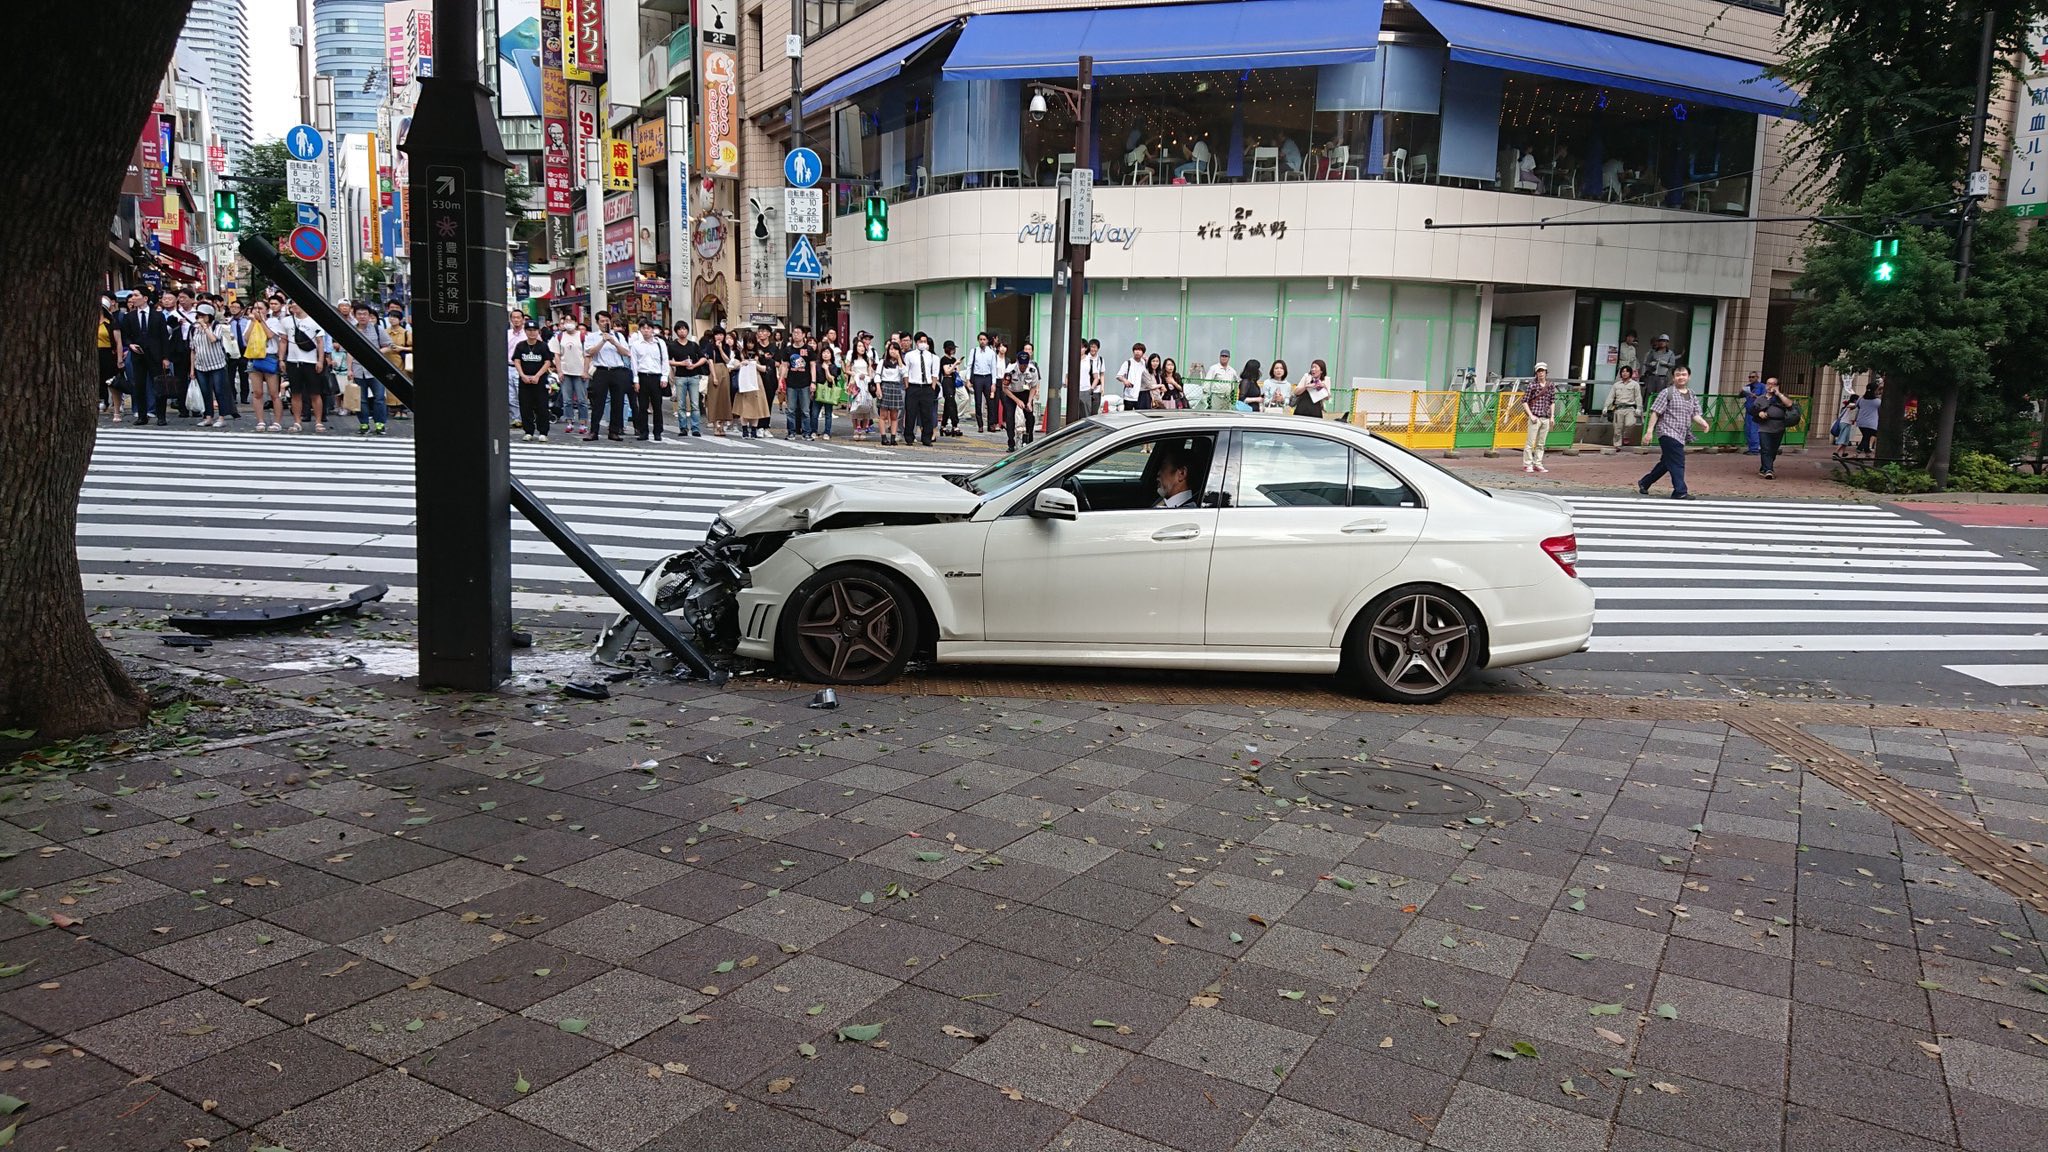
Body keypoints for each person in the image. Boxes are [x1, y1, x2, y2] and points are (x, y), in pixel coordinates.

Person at [1638, 366, 1711, 499]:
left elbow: (1695, 414)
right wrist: (1649, 432)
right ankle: (1680, 491)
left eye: (1684, 374)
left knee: (1667, 462)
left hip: (1681, 434)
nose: (1681, 377)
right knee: (1678, 460)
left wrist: (1703, 423)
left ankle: (1645, 482)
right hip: (1667, 432)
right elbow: (1655, 412)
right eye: (1678, 375)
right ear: (1673, 377)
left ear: (1689, 377)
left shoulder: (1691, 394)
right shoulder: (1667, 393)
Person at [118, 291, 170, 426]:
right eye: (132, 296)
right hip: (138, 355)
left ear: (145, 298)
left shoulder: (158, 316)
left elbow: (164, 337)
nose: (133, 298)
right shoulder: (129, 316)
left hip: (155, 355)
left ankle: (161, 415)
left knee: (159, 385)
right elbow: (125, 335)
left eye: (136, 295)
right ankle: (142, 415)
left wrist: (165, 357)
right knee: (139, 386)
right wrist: (130, 345)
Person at [278, 299, 330, 431]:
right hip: (293, 360)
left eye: (297, 302)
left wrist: (320, 360)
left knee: (315, 393)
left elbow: (320, 342)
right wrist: (281, 359)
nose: (294, 306)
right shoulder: (286, 321)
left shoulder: (314, 321)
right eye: (292, 304)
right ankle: (297, 421)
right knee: (295, 393)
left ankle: (318, 421)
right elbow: (283, 341)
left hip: (311, 361)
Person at [584, 311, 632, 442]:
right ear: (597, 323)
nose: (605, 323)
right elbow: (590, 352)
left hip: (617, 370)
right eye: (602, 321)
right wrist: (603, 341)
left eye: (607, 320)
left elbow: (627, 352)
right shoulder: (592, 336)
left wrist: (614, 342)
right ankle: (593, 431)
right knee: (598, 402)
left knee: (618, 402)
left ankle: (614, 431)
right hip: (601, 371)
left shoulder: (618, 336)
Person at [347, 302, 392, 435]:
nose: (362, 317)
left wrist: (377, 352)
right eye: (359, 314)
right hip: (358, 369)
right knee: (360, 399)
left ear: (369, 315)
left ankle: (380, 424)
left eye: (365, 314)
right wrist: (349, 369)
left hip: (376, 369)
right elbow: (349, 351)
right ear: (355, 315)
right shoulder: (351, 330)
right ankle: (364, 424)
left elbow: (389, 345)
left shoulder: (378, 329)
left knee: (379, 397)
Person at [190, 302, 237, 427]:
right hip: (200, 365)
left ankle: (221, 417)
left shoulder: (217, 326)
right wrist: (192, 369)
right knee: (205, 392)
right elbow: (193, 350)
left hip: (217, 364)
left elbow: (213, 339)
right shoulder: (194, 329)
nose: (199, 317)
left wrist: (205, 327)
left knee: (219, 390)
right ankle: (208, 416)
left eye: (202, 315)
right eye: (198, 315)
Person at [511, 319, 555, 441]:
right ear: (525, 331)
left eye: (534, 330)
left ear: (538, 331)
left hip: (540, 381)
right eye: (529, 330)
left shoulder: (543, 346)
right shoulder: (521, 346)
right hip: (524, 380)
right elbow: (517, 360)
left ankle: (543, 432)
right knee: (525, 406)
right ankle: (528, 431)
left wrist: (537, 376)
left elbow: (547, 362)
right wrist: (522, 375)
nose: (532, 333)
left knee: (542, 406)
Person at [1748, 376, 1799, 480]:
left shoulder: (1781, 398)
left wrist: (1778, 394)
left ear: (1777, 386)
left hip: (1778, 427)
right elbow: (1753, 411)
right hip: (1764, 427)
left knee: (1773, 450)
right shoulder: (1761, 398)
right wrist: (1759, 413)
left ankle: (1764, 468)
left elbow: (1789, 404)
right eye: (1768, 383)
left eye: (1772, 384)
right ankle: (1769, 470)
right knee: (1765, 449)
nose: (1769, 386)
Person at [629, 317, 669, 441]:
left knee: (657, 406)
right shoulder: (636, 345)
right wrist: (635, 380)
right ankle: (643, 431)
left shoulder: (659, 343)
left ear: (652, 330)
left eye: (648, 328)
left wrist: (664, 376)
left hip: (656, 376)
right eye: (643, 328)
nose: (646, 331)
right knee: (642, 406)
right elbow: (634, 363)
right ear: (640, 330)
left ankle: (658, 431)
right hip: (642, 376)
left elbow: (665, 360)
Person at [551, 319, 591, 435]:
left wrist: (585, 371)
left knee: (582, 400)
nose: (569, 323)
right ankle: (569, 422)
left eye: (571, 321)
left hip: (580, 373)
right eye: (566, 321)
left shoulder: (583, 337)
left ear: (576, 323)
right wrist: (559, 371)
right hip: (565, 372)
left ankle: (583, 423)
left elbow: (587, 356)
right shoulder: (559, 337)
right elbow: (557, 355)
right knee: (567, 400)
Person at [1517, 362, 1559, 473]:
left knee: (1541, 443)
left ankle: (1538, 463)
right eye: (1539, 371)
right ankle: (1527, 464)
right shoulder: (1532, 385)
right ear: (1536, 373)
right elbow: (1524, 401)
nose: (1541, 373)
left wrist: (1552, 416)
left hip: (1545, 416)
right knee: (1530, 443)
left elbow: (1552, 401)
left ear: (1546, 372)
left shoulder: (1550, 385)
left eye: (1543, 371)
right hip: (1535, 417)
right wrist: (1531, 415)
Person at [903, 331, 941, 446]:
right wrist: (907, 386)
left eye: (924, 341)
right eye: (921, 341)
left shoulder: (932, 357)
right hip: (913, 386)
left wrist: (933, 387)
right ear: (916, 342)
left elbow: (935, 373)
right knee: (911, 413)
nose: (923, 343)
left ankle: (927, 438)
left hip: (927, 387)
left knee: (927, 414)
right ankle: (909, 437)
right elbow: (906, 372)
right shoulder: (910, 355)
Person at [669, 321, 706, 437]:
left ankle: (695, 428)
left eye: (684, 329)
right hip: (680, 376)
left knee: (695, 404)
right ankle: (683, 427)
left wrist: (694, 365)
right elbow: (667, 360)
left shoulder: (693, 345)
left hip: (694, 376)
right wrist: (681, 363)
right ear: (676, 331)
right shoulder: (672, 346)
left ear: (688, 331)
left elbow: (703, 358)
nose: (682, 331)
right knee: (681, 405)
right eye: (679, 329)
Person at [731, 330, 770, 436]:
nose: (750, 345)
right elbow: (733, 365)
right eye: (748, 342)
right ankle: (744, 429)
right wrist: (741, 363)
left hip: (756, 381)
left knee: (756, 406)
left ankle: (754, 429)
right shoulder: (740, 353)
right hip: (743, 380)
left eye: (752, 342)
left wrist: (755, 364)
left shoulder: (760, 353)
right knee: (743, 406)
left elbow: (765, 368)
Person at [780, 325, 815, 440]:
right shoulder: (788, 350)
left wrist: (813, 382)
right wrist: (781, 379)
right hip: (791, 383)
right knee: (791, 410)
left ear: (804, 335)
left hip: (805, 383)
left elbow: (812, 366)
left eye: (798, 333)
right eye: (794, 333)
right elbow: (785, 365)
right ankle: (791, 432)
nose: (796, 335)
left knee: (805, 410)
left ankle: (806, 432)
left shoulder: (809, 349)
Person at [1003, 342, 1039, 450]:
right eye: (1022, 364)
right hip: (1011, 393)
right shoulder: (1010, 370)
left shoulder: (1032, 370)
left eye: (1025, 364)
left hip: (1025, 393)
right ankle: (1011, 443)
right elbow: (1004, 388)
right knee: (1010, 418)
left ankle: (1028, 441)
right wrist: (1017, 400)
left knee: (1030, 417)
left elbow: (1033, 387)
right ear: (1018, 362)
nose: (1023, 366)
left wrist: (1029, 401)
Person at [97, 296, 124, 422]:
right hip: (94, 355)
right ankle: (101, 403)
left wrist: (119, 359)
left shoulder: (111, 323)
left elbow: (118, 342)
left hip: (108, 354)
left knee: (112, 383)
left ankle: (117, 410)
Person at [1604, 365, 1643, 450]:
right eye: (1623, 371)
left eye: (1627, 371)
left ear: (1630, 373)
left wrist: (1639, 408)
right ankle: (1617, 445)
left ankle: (1626, 435)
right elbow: (1611, 396)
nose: (1624, 373)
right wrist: (1606, 407)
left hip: (1630, 408)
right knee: (1617, 428)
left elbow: (1638, 397)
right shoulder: (1616, 385)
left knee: (1630, 423)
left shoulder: (1635, 384)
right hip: (1619, 408)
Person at [876, 342, 907, 444]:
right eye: (891, 349)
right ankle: (883, 437)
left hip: (896, 387)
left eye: (895, 349)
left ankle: (893, 437)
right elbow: (877, 376)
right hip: (885, 386)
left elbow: (903, 373)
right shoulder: (883, 362)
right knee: (883, 415)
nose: (893, 351)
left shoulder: (901, 363)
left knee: (894, 416)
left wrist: (899, 359)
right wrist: (878, 388)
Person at [846, 334, 875, 440]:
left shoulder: (868, 359)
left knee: (866, 406)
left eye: (863, 346)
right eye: (859, 346)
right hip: (855, 384)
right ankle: (855, 428)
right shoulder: (852, 359)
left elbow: (870, 372)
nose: (861, 348)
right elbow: (847, 370)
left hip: (865, 384)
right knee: (855, 407)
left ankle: (863, 428)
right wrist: (855, 374)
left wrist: (866, 377)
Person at [968, 331, 999, 432]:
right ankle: (980, 424)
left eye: (984, 340)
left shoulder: (991, 353)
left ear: (987, 341)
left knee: (990, 402)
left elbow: (994, 368)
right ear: (978, 340)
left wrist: (994, 383)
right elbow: (969, 366)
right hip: (977, 378)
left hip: (988, 377)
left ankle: (991, 424)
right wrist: (968, 379)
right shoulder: (974, 351)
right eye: (980, 339)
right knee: (978, 402)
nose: (982, 341)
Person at [812, 341, 843, 439]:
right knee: (814, 413)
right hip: (818, 391)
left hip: (829, 391)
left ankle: (827, 432)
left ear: (831, 355)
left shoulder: (833, 367)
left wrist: (826, 369)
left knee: (828, 413)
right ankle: (814, 431)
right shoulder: (817, 365)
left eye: (828, 353)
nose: (825, 355)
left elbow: (831, 379)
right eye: (824, 353)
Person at [225, 298, 251, 409]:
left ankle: (244, 396)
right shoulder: (228, 322)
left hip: (244, 349)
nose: (234, 309)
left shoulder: (247, 321)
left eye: (236, 307)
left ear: (242, 309)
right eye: (232, 307)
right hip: (232, 350)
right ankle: (233, 396)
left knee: (244, 373)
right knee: (230, 374)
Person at [938, 340, 964, 435]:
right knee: (952, 403)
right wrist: (954, 365)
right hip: (946, 381)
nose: (953, 351)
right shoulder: (944, 359)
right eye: (951, 349)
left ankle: (943, 426)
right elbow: (947, 372)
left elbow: (956, 371)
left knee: (948, 405)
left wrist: (956, 365)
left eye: (954, 349)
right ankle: (955, 425)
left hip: (952, 382)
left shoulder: (953, 359)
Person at [1641, 333, 1678, 398]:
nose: (1662, 342)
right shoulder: (1653, 352)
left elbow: (1673, 365)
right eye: (1661, 341)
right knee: (1649, 394)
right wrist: (1651, 364)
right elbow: (1646, 363)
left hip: (1662, 377)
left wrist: (1665, 364)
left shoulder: (1670, 353)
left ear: (1667, 343)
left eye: (1664, 341)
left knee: (1660, 395)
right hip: (1652, 376)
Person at [1117, 342, 1151, 410]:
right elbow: (1119, 376)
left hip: (1140, 396)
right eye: (1136, 350)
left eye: (1140, 350)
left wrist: (1147, 360)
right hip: (1129, 396)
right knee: (1128, 416)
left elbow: (1150, 373)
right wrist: (1125, 380)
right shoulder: (1128, 363)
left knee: (1139, 417)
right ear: (1133, 351)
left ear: (1143, 353)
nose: (1137, 352)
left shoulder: (1143, 363)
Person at [1741, 371, 1766, 454]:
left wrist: (1755, 396)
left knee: (1753, 429)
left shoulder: (1762, 386)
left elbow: (1765, 397)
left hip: (1757, 410)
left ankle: (1755, 449)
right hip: (1749, 410)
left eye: (1753, 377)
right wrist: (1742, 391)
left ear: (1757, 377)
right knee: (1747, 429)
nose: (1751, 379)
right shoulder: (1748, 387)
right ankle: (1751, 447)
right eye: (1749, 377)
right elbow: (1740, 396)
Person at [1830, 389, 1859, 459]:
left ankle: (1843, 452)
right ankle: (1836, 452)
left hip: (1846, 423)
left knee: (1846, 439)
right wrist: (1856, 405)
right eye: (1857, 400)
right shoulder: (1851, 404)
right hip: (1845, 423)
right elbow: (1850, 406)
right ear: (1855, 400)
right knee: (1843, 438)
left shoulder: (1848, 405)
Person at [1080, 338, 1105, 418]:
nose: (1093, 349)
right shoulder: (1086, 358)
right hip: (1084, 388)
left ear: (1098, 348)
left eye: (1095, 347)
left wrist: (1102, 387)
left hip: (1096, 389)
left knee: (1093, 411)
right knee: (1084, 411)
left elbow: (1102, 374)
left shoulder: (1100, 359)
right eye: (1091, 347)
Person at [1855, 382, 1882, 456]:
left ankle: (1867, 452)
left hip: (1861, 421)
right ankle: (1858, 450)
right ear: (1875, 390)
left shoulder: (1861, 399)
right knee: (1868, 437)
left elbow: (1856, 406)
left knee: (1866, 436)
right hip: (1872, 423)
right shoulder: (1877, 401)